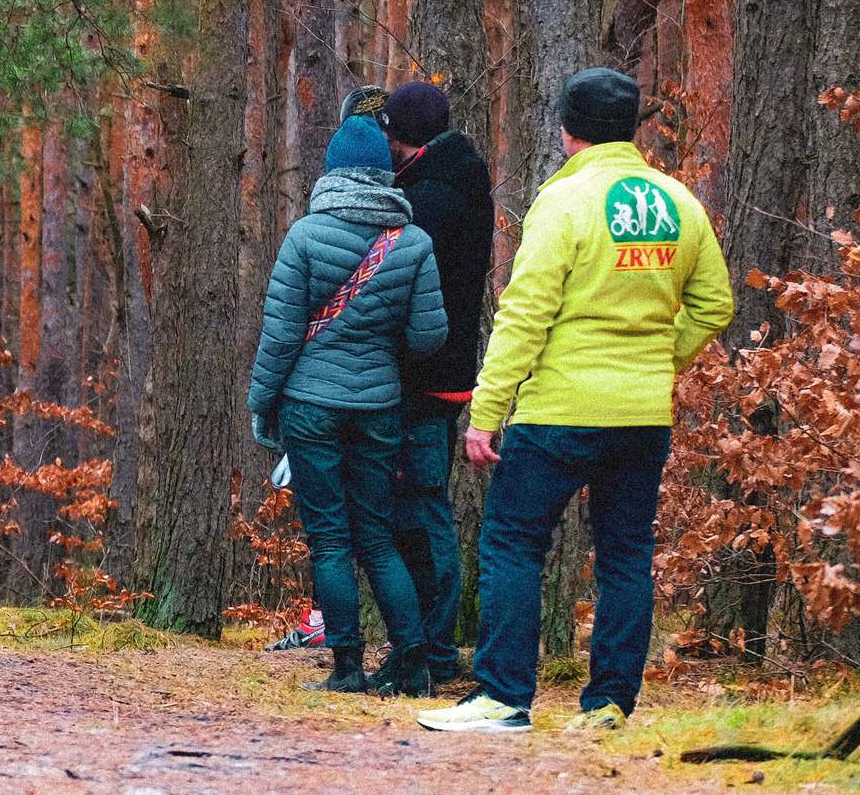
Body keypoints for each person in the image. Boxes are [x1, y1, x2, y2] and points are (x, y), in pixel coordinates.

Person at [421, 68, 732, 735]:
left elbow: (524, 315)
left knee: (512, 543)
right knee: (625, 555)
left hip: (559, 411)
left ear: (567, 129)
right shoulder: (679, 203)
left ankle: (504, 697)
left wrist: (485, 414)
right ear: (631, 127)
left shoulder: (564, 201)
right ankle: (609, 704)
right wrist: (658, 361)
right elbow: (714, 304)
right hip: (642, 415)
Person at [247, 115, 448, 695]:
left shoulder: (305, 236)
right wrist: (380, 349)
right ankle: (413, 663)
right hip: (380, 406)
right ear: (385, 174)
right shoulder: (413, 243)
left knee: (330, 539)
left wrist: (262, 403)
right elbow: (428, 337)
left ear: (332, 172)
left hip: (310, 405)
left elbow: (280, 335)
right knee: (377, 538)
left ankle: (348, 667)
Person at [372, 81, 495, 689]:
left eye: (390, 135)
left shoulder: (428, 200)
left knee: (419, 514)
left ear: (407, 140)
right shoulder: (456, 183)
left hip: (421, 379)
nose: (386, 146)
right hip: (441, 376)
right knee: (419, 509)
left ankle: (429, 653)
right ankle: (424, 646)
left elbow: (403, 296)